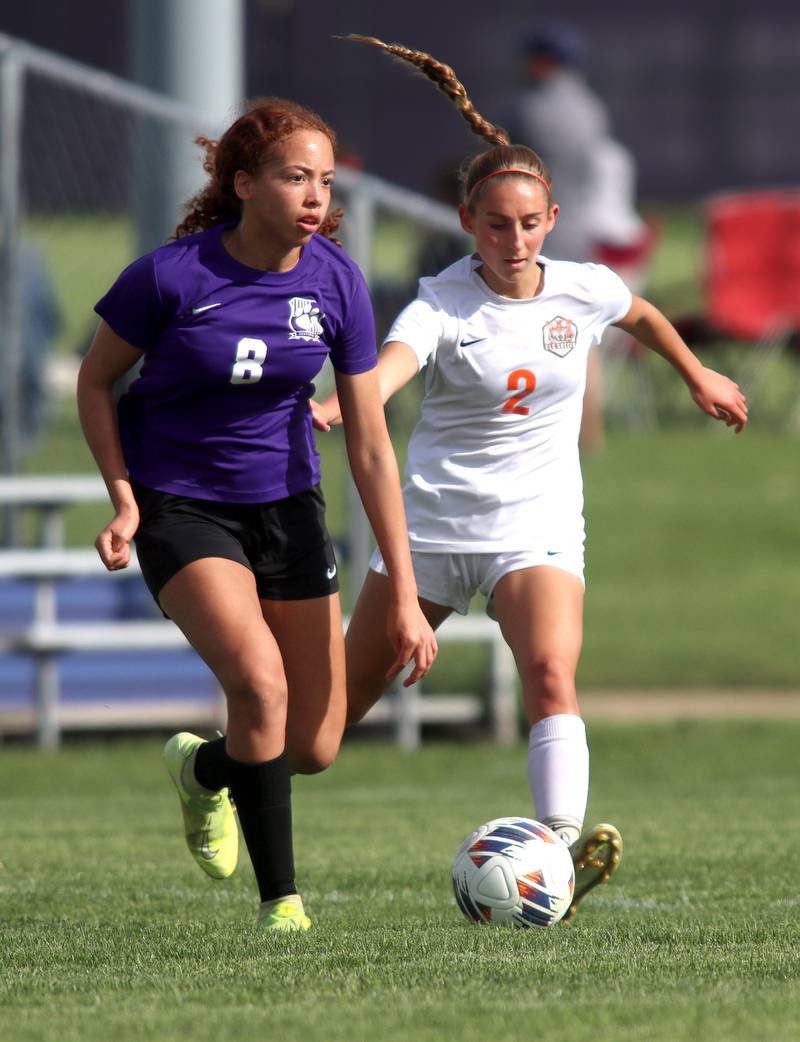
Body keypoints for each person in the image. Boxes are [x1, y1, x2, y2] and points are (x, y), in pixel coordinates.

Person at [315, 37, 748, 921]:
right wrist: (341, 403)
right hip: (432, 529)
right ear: (469, 223)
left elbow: (643, 312)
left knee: (551, 671)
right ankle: (213, 767)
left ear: (551, 218)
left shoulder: (581, 288)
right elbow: (395, 364)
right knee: (322, 732)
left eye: (528, 222)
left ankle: (553, 853)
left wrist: (695, 373)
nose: (513, 239)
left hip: (535, 524)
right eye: (495, 224)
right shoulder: (442, 300)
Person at [76, 98, 437, 933]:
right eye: (293, 176)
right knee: (260, 684)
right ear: (243, 184)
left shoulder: (337, 279)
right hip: (182, 507)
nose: (314, 194)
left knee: (312, 745)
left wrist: (407, 593)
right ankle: (284, 907)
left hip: (288, 508)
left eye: (323, 179)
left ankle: (203, 771)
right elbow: (97, 382)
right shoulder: (170, 276)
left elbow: (374, 450)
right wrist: (124, 497)